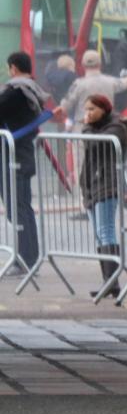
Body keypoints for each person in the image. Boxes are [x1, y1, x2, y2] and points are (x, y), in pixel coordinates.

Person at [0, 52, 47, 277]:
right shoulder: (31, 89)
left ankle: (26, 260)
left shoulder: (17, 91)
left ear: (14, 68)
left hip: (14, 158)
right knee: (21, 208)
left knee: (18, 209)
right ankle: (28, 258)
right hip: (21, 155)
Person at [80, 94, 127, 298]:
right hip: (92, 186)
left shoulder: (117, 127)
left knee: (106, 231)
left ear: (104, 109)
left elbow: (94, 144)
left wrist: (85, 128)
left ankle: (111, 280)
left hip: (107, 185)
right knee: (100, 235)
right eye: (86, 109)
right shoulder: (95, 127)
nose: (88, 113)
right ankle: (109, 282)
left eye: (92, 109)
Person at [58, 50, 127, 132]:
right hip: (105, 131)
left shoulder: (78, 84)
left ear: (83, 65)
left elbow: (64, 107)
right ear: (100, 64)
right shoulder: (111, 82)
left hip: (83, 132)